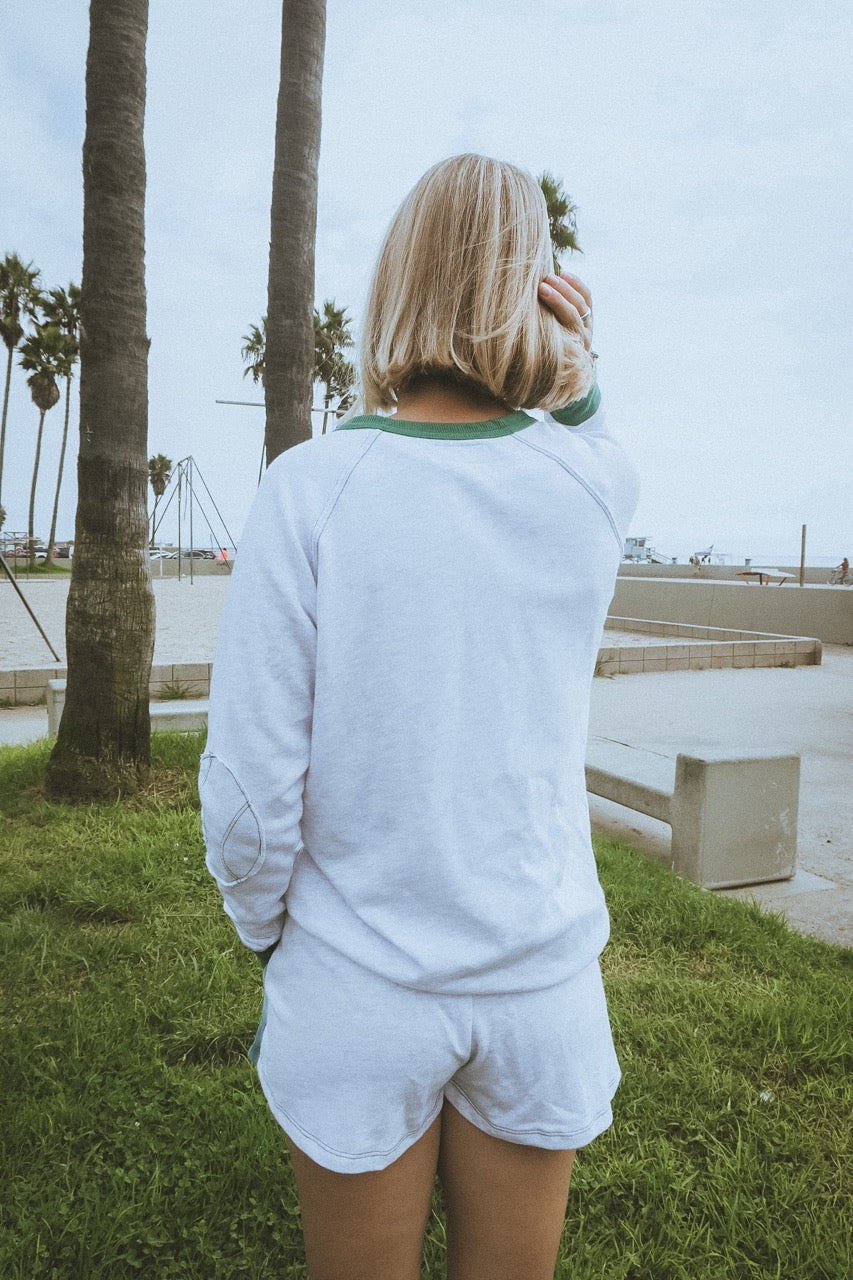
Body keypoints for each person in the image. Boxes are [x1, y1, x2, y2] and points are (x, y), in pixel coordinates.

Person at [200, 153, 639, 1280]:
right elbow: (595, 443)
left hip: (358, 986)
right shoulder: (587, 491)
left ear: (402, 279)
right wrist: (576, 371)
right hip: (541, 987)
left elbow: (251, 797)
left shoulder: (310, 486)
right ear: (530, 286)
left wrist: (268, 932)